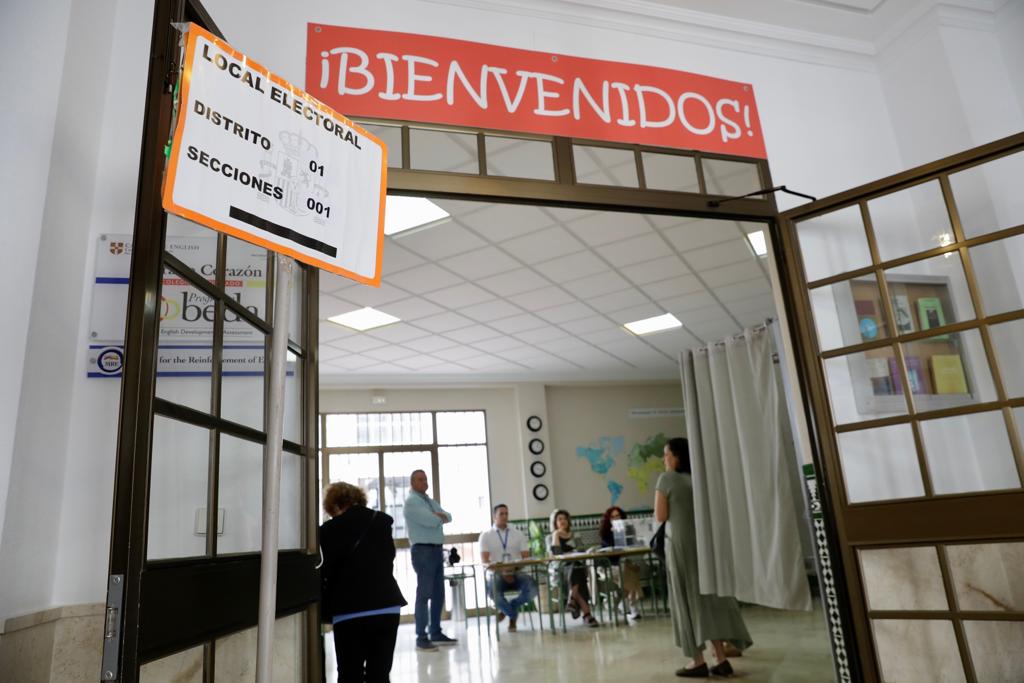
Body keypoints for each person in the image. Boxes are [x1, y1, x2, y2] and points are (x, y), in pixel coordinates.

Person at [656, 437, 752, 678]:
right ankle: (720, 659)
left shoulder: (666, 479)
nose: (664, 459)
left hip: (679, 544)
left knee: (686, 599)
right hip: (703, 545)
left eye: (666, 454)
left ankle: (696, 661)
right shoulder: (697, 479)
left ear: (676, 456)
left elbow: (660, 515)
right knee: (707, 599)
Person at [320, 482, 406, 682]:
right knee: (380, 674)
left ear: (332, 505)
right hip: (387, 606)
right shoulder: (382, 521)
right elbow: (388, 558)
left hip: (349, 610)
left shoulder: (327, 530)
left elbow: (326, 570)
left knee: (350, 674)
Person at [403, 469, 457, 651]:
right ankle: (421, 637)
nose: (425, 482)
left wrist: (439, 516)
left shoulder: (427, 500)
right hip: (423, 551)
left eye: (426, 479)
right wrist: (437, 517)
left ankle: (435, 632)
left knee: (438, 594)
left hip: (436, 550)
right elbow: (432, 521)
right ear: (412, 482)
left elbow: (448, 516)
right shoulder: (411, 502)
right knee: (424, 594)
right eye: (421, 479)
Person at [478, 503, 538, 632]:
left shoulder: (518, 534)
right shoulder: (486, 535)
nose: (505, 516)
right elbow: (485, 561)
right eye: (501, 514)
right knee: (491, 590)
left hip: (517, 573)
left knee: (533, 588)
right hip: (497, 574)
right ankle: (513, 614)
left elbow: (526, 558)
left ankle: (507, 610)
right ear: (494, 516)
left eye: (506, 514)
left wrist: (513, 570)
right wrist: (502, 572)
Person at [548, 509, 600, 627]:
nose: (562, 521)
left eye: (565, 519)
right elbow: (556, 555)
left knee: (576, 569)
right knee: (577, 574)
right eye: (559, 519)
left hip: (577, 566)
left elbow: (581, 551)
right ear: (555, 522)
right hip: (561, 570)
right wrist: (556, 535)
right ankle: (586, 614)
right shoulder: (551, 537)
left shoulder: (575, 535)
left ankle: (573, 600)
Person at [598, 506, 644, 619]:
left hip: (625, 564)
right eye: (612, 517)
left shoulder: (628, 529)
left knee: (631, 569)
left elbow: (634, 545)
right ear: (609, 519)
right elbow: (609, 552)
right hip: (610, 566)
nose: (615, 518)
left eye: (617, 516)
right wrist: (615, 535)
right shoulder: (606, 534)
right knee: (631, 572)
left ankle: (617, 600)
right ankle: (631, 606)